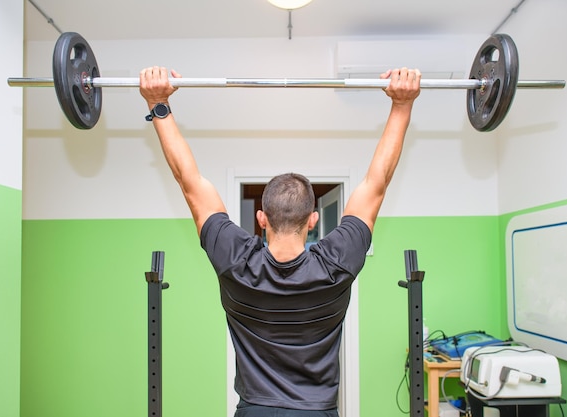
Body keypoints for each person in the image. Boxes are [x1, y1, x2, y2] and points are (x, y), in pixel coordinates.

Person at [139, 66, 421, 417]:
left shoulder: (235, 261)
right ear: (313, 220)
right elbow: (377, 181)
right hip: (317, 412)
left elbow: (188, 180)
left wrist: (159, 102)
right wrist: (402, 104)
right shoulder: (337, 263)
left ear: (261, 219)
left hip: (254, 410)